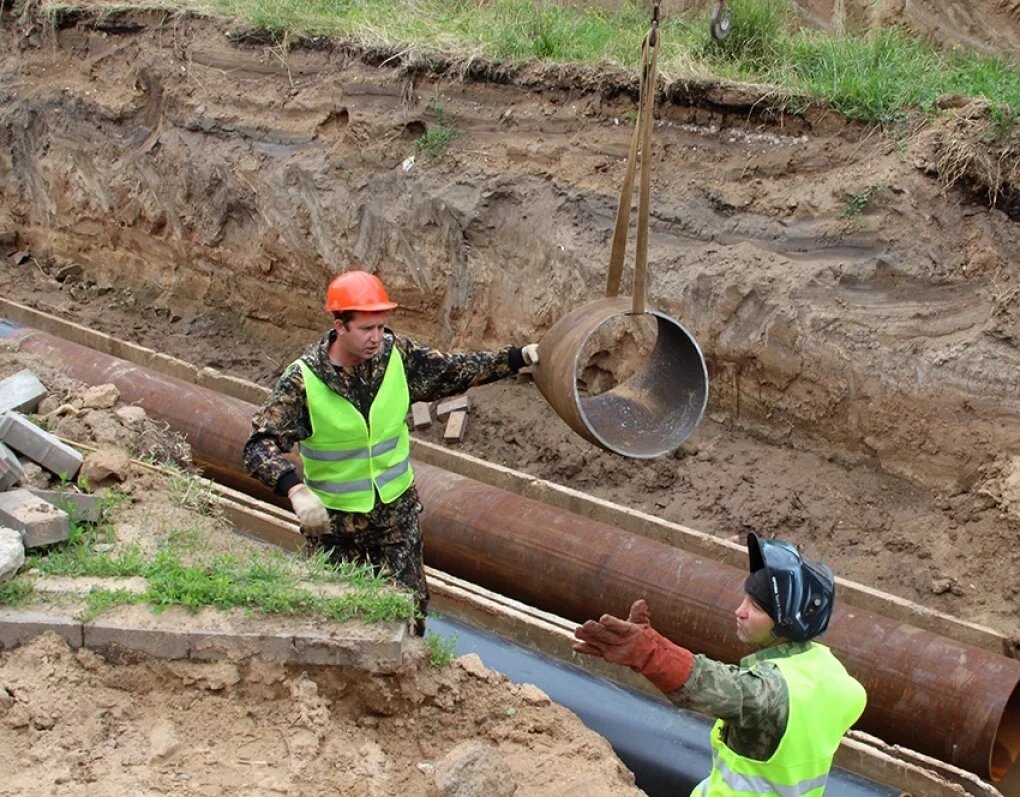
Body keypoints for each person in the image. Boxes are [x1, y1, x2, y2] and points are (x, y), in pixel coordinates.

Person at [243, 270, 539, 637]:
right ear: (339, 326)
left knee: (408, 613)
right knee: (330, 617)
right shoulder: (304, 381)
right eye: (366, 329)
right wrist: (294, 489)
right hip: (334, 526)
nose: (376, 338)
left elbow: (452, 370)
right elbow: (258, 446)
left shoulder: (397, 356)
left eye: (381, 327)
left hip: (396, 517)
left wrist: (516, 358)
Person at [573, 533, 867, 797]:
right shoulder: (839, 683)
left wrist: (650, 653)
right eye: (745, 599)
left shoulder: (771, 696)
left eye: (756, 607)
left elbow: (715, 685)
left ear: (787, 622)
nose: (739, 611)